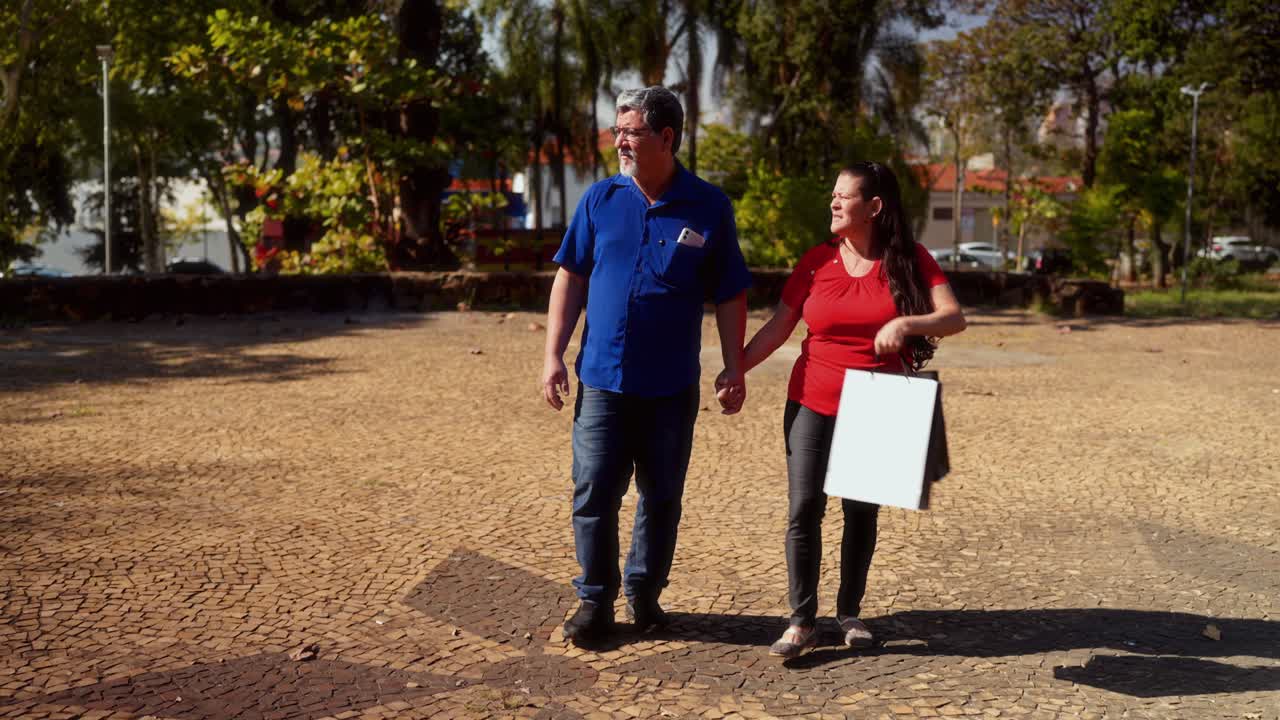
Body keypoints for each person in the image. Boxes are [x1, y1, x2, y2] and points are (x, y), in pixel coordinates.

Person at [720, 161, 966, 658]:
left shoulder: (910, 259)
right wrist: (737, 368)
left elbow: (953, 316)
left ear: (874, 207)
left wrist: (908, 325)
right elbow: (779, 325)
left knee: (860, 513)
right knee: (804, 508)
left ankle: (850, 612)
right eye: (832, 194)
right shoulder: (816, 261)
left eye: (844, 196)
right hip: (811, 397)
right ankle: (801, 620)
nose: (833, 203)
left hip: (879, 401)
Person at [541, 86, 753, 646]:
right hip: (604, 380)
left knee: (660, 497)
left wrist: (735, 366)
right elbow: (571, 276)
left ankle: (645, 594)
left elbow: (730, 293)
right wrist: (553, 355)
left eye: (630, 131)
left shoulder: (709, 206)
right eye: (617, 129)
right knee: (593, 492)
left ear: (666, 136)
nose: (619, 141)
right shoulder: (599, 200)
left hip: (670, 386)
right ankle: (594, 601)